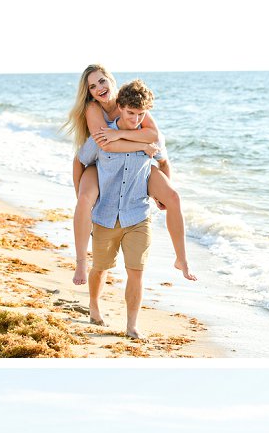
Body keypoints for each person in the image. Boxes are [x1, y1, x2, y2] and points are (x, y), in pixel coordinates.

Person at [80, 79, 196, 339]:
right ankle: (94, 306)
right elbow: (81, 160)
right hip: (105, 215)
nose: (135, 118)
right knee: (100, 268)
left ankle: (131, 325)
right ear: (119, 107)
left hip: (138, 215)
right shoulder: (102, 135)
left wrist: (162, 192)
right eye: (130, 113)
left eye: (141, 114)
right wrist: (82, 196)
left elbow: (163, 162)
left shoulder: (151, 137)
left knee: (136, 273)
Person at [60, 65, 190, 288]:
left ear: (111, 80)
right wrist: (142, 146)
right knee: (83, 200)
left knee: (173, 196)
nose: (99, 88)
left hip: (132, 162)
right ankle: (81, 261)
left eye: (102, 81)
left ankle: (182, 259)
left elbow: (154, 136)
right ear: (89, 92)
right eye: (92, 86)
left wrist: (122, 134)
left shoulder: (131, 101)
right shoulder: (93, 109)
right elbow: (105, 145)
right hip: (96, 162)